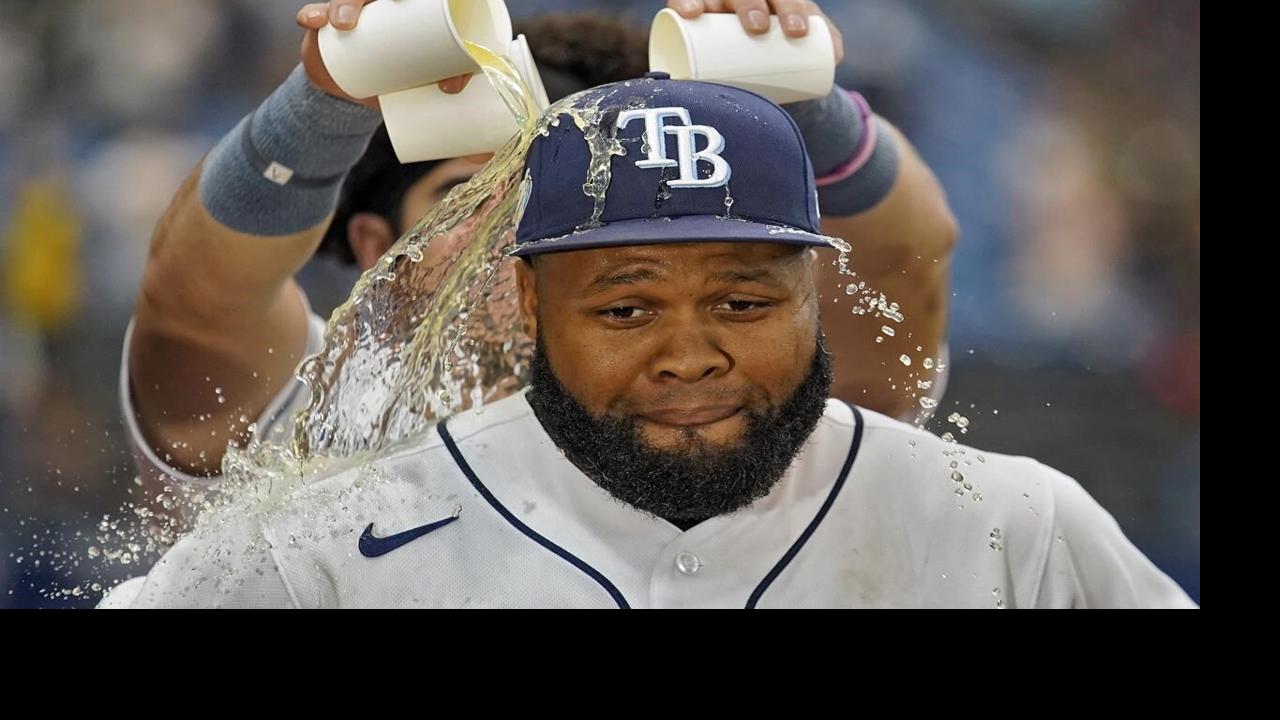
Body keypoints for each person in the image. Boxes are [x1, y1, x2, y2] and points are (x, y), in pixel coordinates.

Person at [102, 63, 1194, 608]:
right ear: (527, 305)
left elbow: (919, 246)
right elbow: (199, 304)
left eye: (743, 301)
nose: (688, 353)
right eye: (625, 307)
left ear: (815, 292)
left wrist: (813, 97)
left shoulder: (1008, 527)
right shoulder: (342, 538)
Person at [121, 0, 955, 498]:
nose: (527, 235)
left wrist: (800, 102)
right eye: (472, 194)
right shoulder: (315, 418)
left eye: (589, 194)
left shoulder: (747, 399)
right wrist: (326, 101)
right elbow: (194, 303)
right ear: (383, 248)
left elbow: (902, 267)